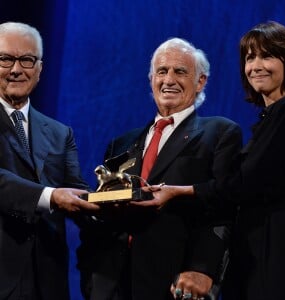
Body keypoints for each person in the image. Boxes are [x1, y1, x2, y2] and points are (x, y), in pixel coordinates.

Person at [77, 37, 242, 300]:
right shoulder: (122, 143)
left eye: (180, 72)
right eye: (161, 72)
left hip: (173, 283)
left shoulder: (220, 133)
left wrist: (203, 269)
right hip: (110, 284)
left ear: (201, 81)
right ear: (151, 79)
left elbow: (225, 206)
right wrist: (90, 274)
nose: (169, 80)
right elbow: (102, 213)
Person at [0, 22, 100, 300]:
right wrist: (51, 196)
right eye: (6, 59)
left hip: (48, 280)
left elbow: (77, 192)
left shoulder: (59, 132)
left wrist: (115, 206)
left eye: (27, 60)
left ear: (40, 70)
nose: (16, 69)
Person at [220, 21, 285, 300]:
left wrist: (184, 191)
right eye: (249, 57)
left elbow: (245, 182)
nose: (256, 65)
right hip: (259, 249)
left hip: (276, 250)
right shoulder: (273, 117)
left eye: (267, 56)